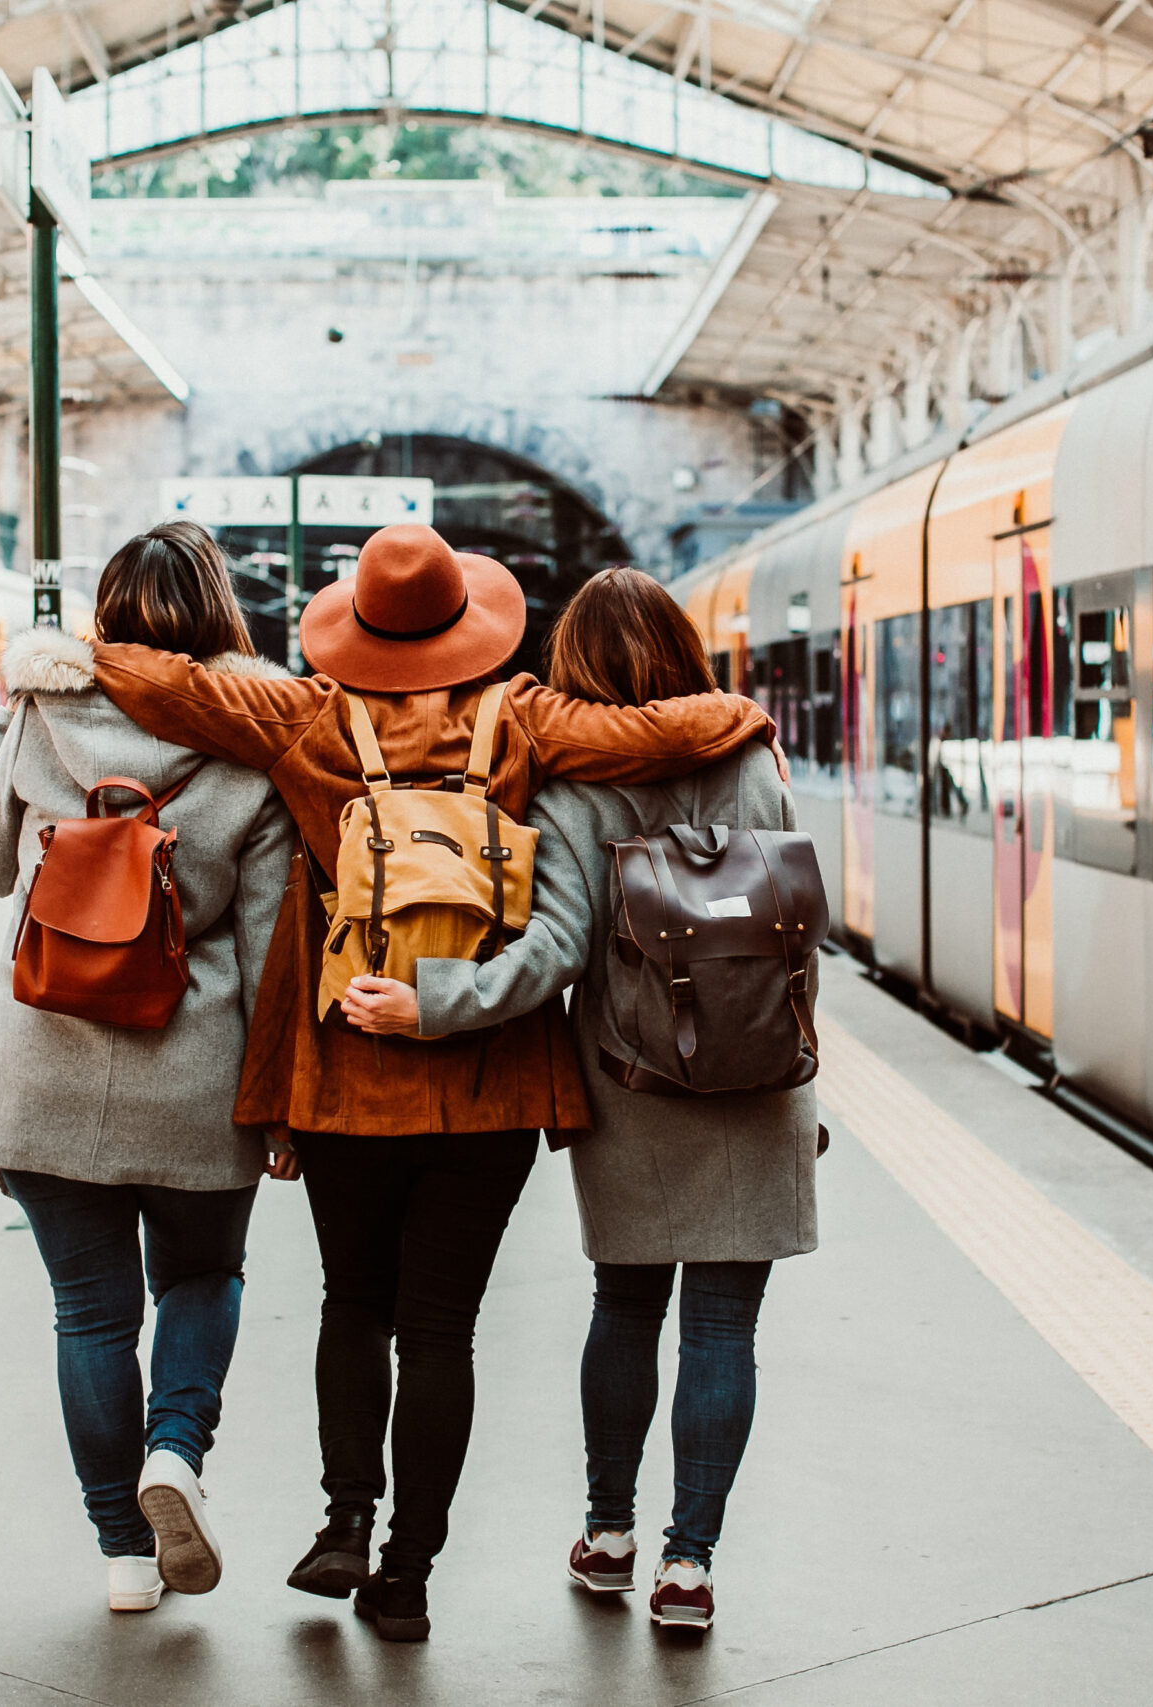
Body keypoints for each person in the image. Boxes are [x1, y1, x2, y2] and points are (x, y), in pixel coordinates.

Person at [83, 524, 777, 1641]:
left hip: (348, 1063)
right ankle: (407, 1574)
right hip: (490, 1078)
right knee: (439, 1331)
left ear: (354, 626)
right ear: (471, 623)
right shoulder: (527, 716)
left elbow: (169, 690)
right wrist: (735, 714)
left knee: (351, 1305)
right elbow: (656, 734)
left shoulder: (303, 715)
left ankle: (344, 1522)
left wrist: (77, 657)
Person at [340, 568, 821, 1635]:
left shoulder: (570, 785)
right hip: (758, 1078)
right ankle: (689, 1567)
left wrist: (430, 1004)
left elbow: (553, 953)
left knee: (629, 1306)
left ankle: (611, 1538)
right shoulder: (752, 754)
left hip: (634, 1079)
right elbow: (794, 922)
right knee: (724, 1326)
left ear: (574, 672)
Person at [0, 521, 297, 1616]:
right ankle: (175, 1453)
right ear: (220, 613)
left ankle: (120, 1557)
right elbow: (264, 942)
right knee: (199, 1279)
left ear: (102, 614)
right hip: (195, 1067)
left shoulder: (40, 706)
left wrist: (1, 747)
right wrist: (278, 1096)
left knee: (88, 1317)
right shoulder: (253, 736)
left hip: (46, 1064)